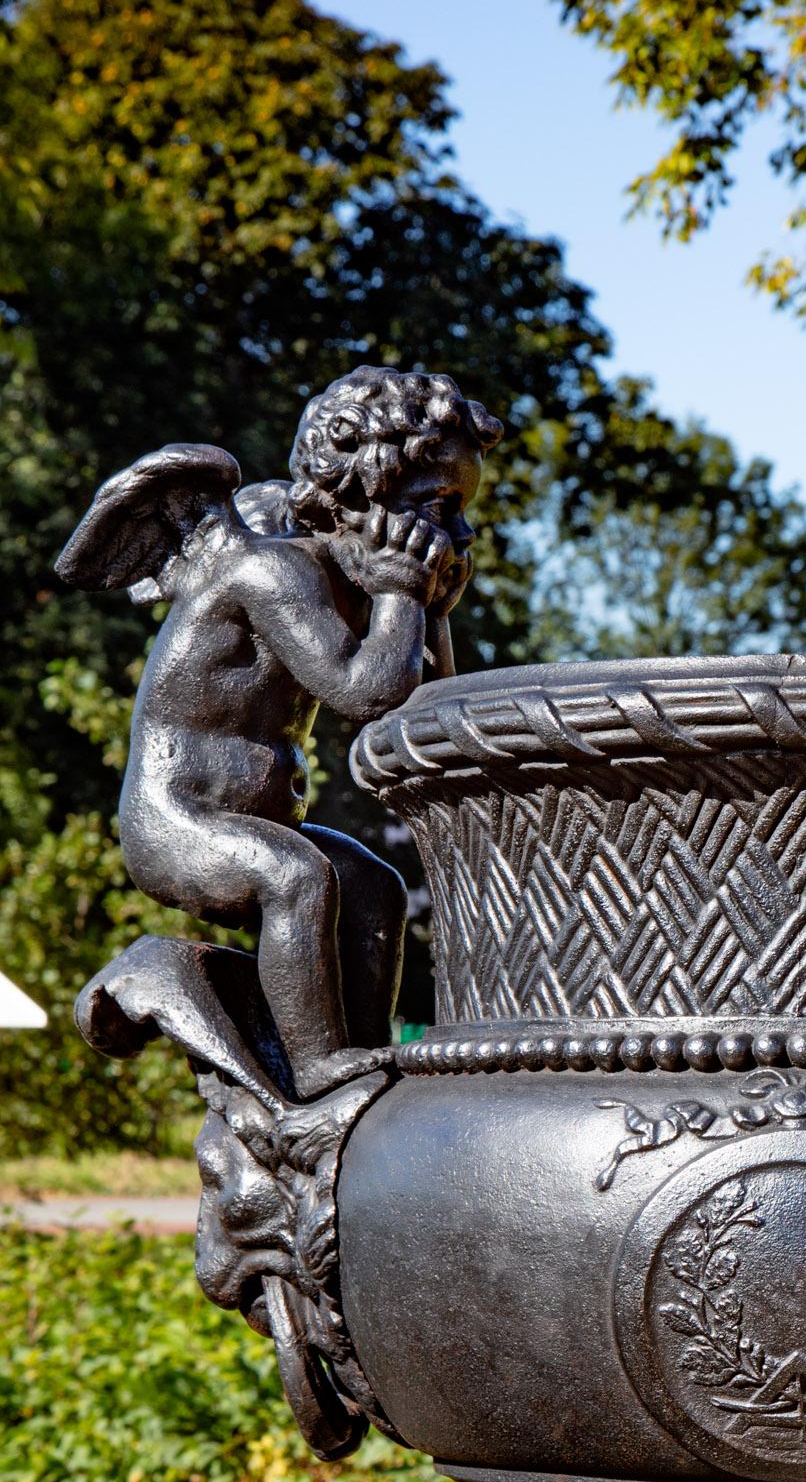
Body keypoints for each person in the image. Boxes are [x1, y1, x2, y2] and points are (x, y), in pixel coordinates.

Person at [57, 367, 502, 1096]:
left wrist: (431, 611)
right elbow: (361, 691)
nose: (456, 532)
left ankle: (364, 1055)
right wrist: (400, 595)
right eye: (439, 507)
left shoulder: (351, 582)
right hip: (178, 822)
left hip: (253, 821)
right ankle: (318, 1066)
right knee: (295, 879)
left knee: (372, 884)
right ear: (363, 497)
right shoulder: (269, 571)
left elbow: (419, 706)